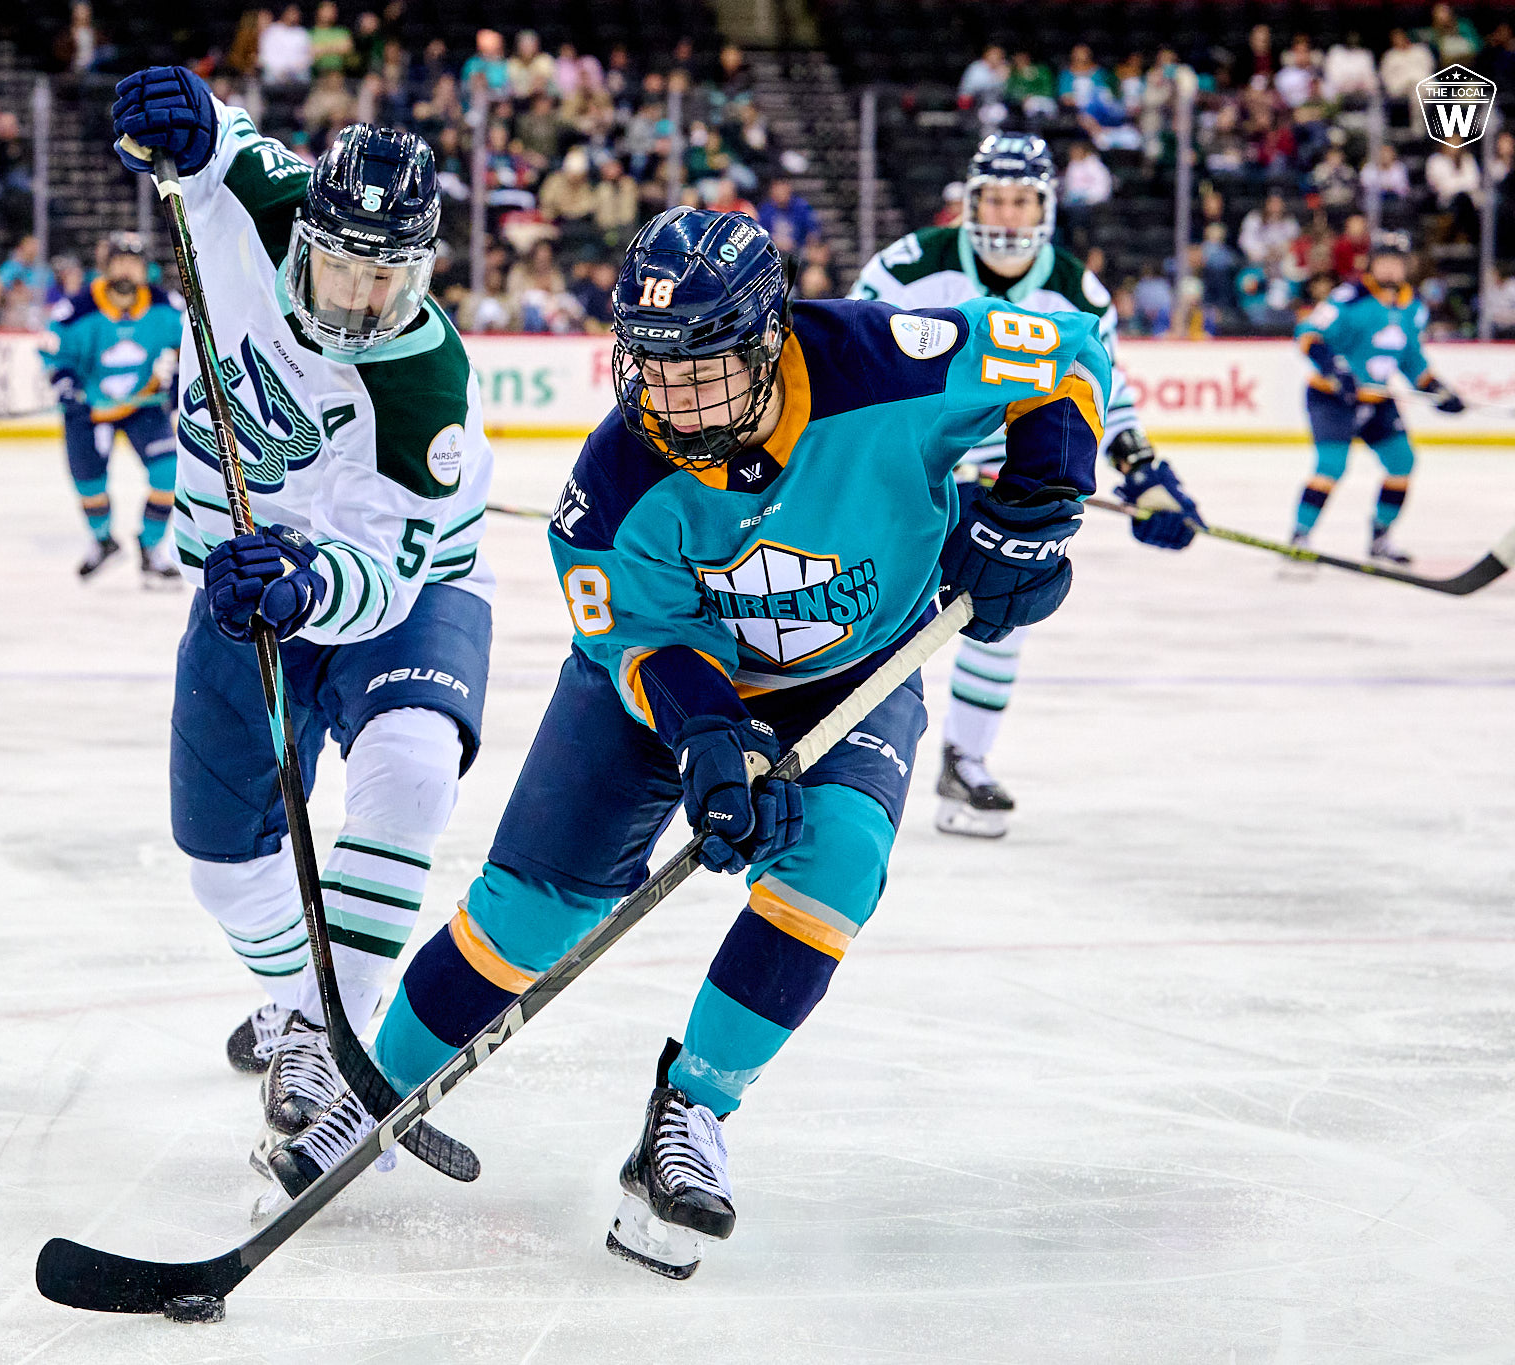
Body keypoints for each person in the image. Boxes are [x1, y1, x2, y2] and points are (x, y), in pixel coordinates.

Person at [263, 204, 1112, 1275]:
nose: (667, 397)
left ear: (768, 340)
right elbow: (643, 638)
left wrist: (1036, 503)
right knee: (529, 913)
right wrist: (712, 741)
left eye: (700, 369)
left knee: (836, 862)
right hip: (660, 686)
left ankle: (691, 1114)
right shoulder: (612, 486)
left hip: (851, 672)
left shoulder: (884, 363)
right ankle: (370, 1093)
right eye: (649, 367)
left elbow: (1064, 360)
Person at [111, 67, 497, 1156]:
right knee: (221, 863)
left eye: (390, 278)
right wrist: (178, 118)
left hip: (399, 592)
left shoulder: (424, 386)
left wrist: (307, 584)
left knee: (412, 767)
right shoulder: (267, 204)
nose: (360, 301)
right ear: (304, 236)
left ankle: (340, 1035)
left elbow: (384, 572)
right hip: (240, 586)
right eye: (339, 266)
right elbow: (214, 140)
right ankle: (297, 1004)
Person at [849, 132, 1203, 838]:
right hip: (907, 468)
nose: (1007, 215)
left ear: (1044, 206)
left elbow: (1107, 390)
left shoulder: (1076, 289)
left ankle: (964, 761)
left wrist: (1146, 470)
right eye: (995, 198)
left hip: (1007, 473)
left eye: (1021, 200)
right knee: (867, 606)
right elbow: (854, 359)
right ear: (970, 200)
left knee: (999, 601)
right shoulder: (908, 267)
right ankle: (838, 756)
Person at [1290, 231, 1462, 564]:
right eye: (1383, 262)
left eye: (1396, 263)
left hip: (1377, 400)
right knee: (1331, 466)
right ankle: (1300, 535)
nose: (1389, 270)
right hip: (1332, 398)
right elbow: (1307, 334)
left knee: (1402, 462)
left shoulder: (1414, 307)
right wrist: (1335, 370)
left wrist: (1439, 390)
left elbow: (1413, 361)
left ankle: (1380, 538)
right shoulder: (1350, 297)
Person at [41, 231, 185, 582]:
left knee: (168, 474)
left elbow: (193, 348)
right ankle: (103, 541)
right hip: (88, 411)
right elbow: (55, 355)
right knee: (89, 485)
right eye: (118, 263)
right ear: (105, 268)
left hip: (143, 405)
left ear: (145, 270)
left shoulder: (167, 306)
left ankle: (152, 549)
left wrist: (179, 384)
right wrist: (66, 384)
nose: (125, 272)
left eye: (133, 264)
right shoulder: (77, 310)